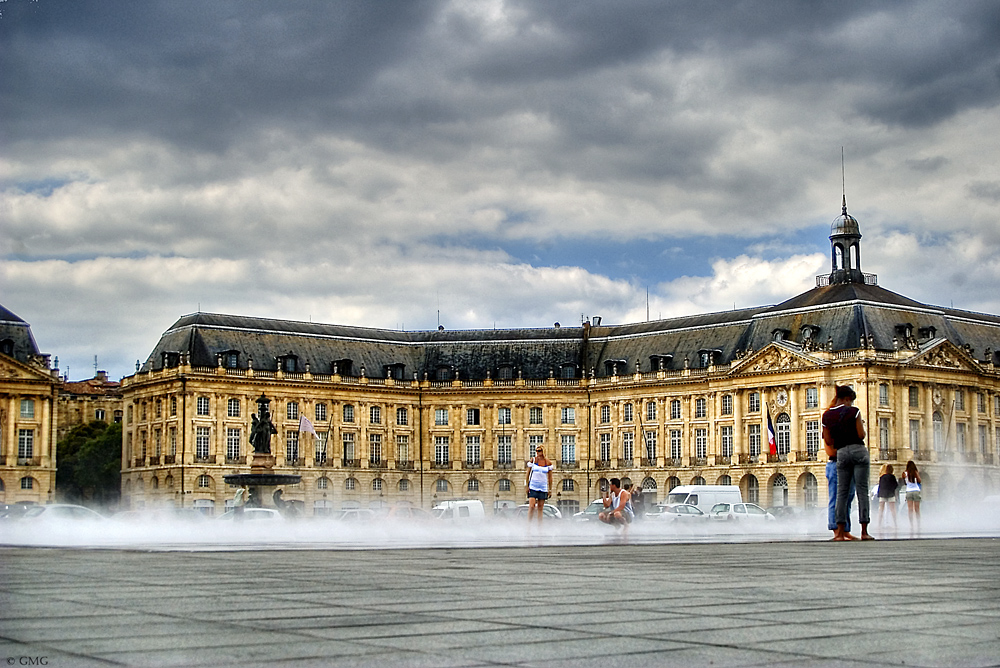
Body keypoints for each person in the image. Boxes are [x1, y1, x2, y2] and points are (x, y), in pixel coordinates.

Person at [822, 385, 873, 541]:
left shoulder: (826, 416)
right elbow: (861, 434)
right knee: (862, 491)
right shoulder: (854, 411)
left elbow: (828, 440)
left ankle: (840, 533)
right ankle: (864, 532)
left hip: (841, 453)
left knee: (841, 494)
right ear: (846, 399)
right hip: (858, 450)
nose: (851, 403)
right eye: (850, 400)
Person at [525, 446, 553, 524]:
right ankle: (528, 525)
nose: (537, 452)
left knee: (540, 508)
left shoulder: (548, 462)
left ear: (543, 451)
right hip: (533, 486)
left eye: (539, 451)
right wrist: (526, 486)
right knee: (532, 506)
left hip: (543, 487)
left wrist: (550, 489)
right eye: (536, 451)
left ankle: (539, 527)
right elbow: (527, 474)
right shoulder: (533, 460)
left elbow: (550, 478)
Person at [902, 460, 922, 536]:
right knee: (917, 510)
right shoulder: (915, 472)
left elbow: (904, 482)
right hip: (916, 490)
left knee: (910, 510)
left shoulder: (904, 473)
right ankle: (918, 524)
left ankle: (911, 525)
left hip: (909, 491)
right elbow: (920, 481)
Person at [876, 464, 899, 531]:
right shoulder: (893, 477)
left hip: (882, 494)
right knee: (893, 510)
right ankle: (895, 524)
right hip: (890, 494)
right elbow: (896, 485)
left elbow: (880, 486)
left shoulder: (882, 477)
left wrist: (879, 494)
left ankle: (879, 525)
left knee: (881, 510)